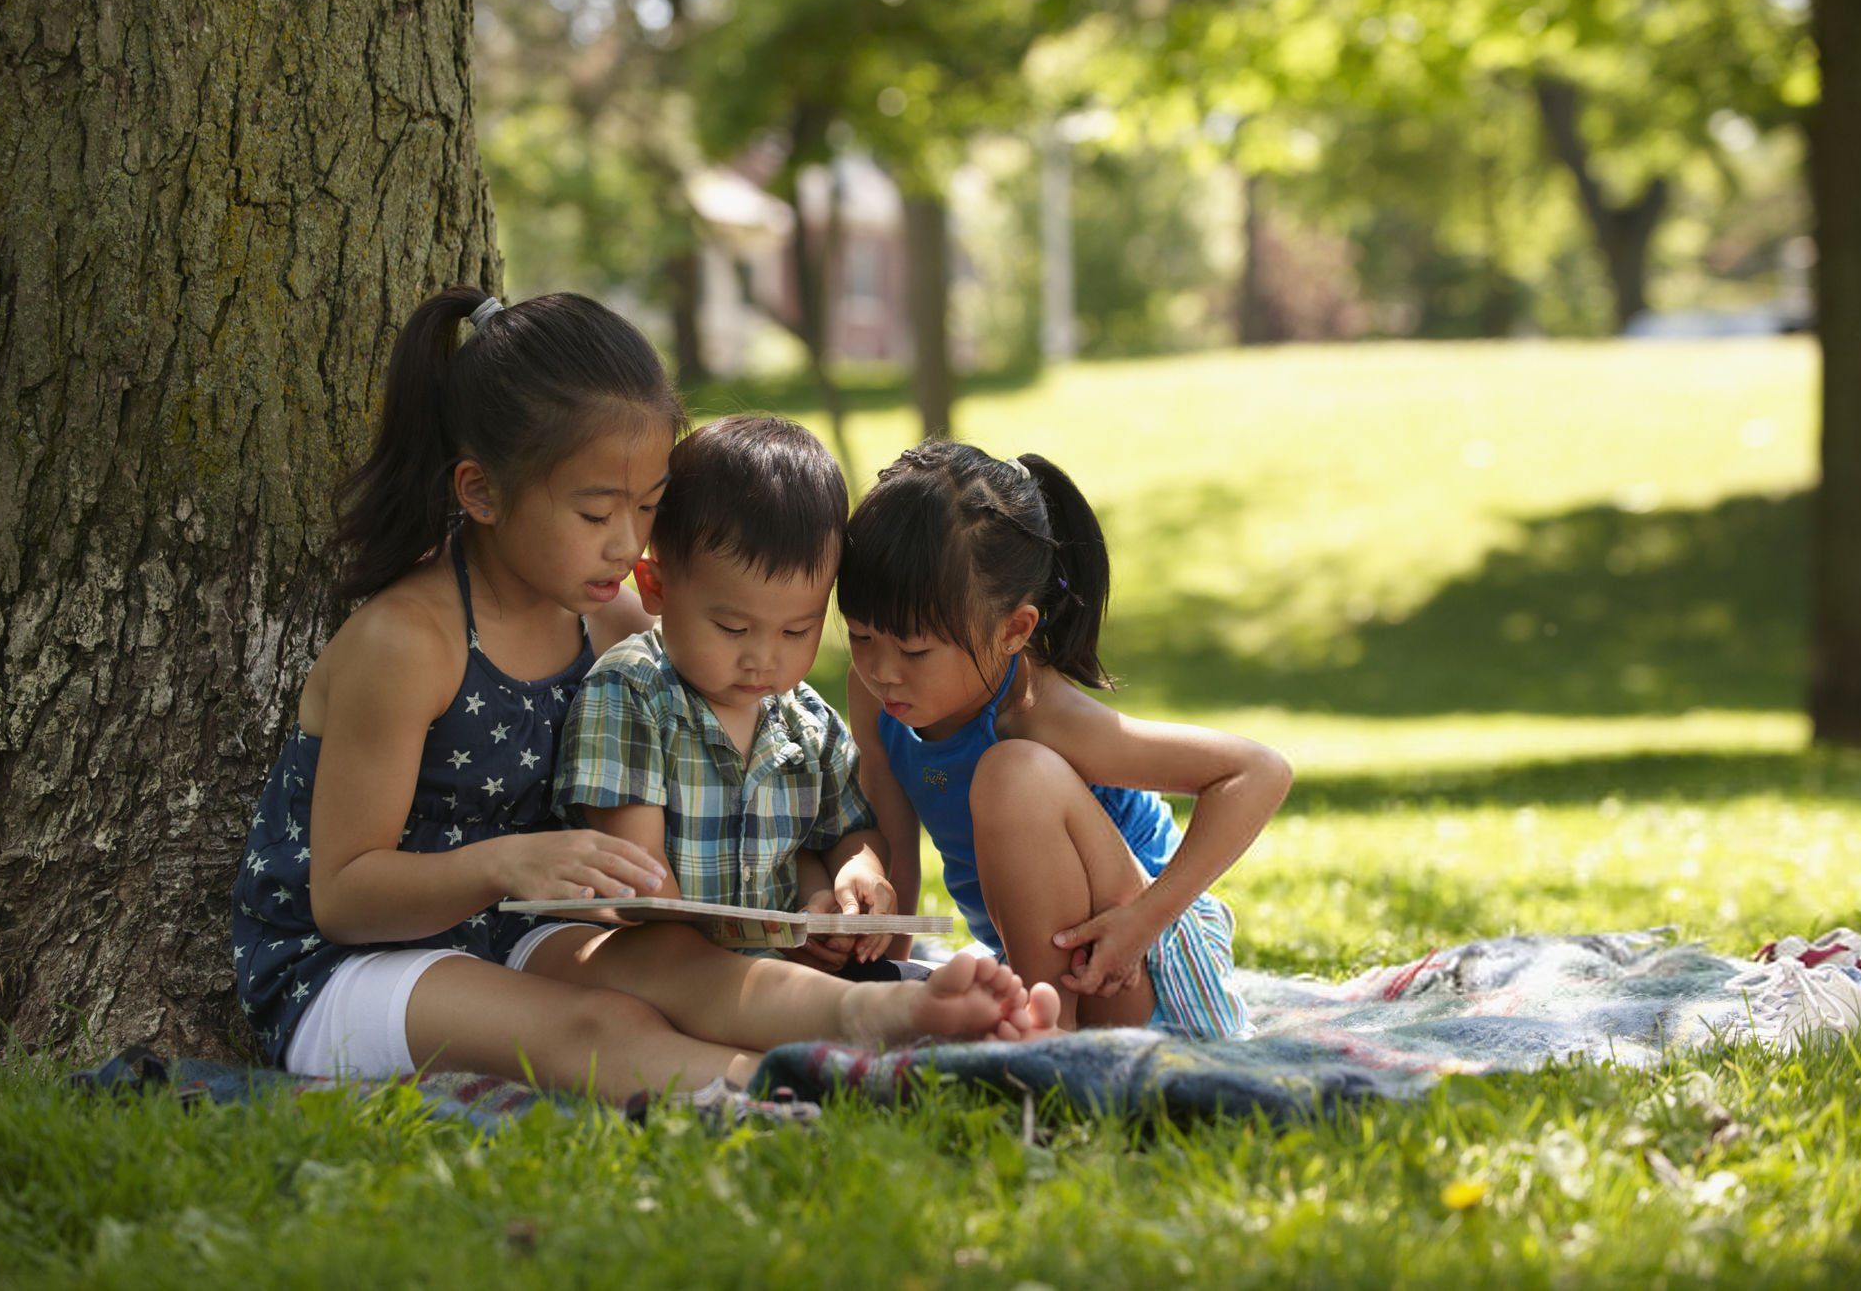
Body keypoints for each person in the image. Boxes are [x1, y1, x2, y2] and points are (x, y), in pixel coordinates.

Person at [231, 292, 1045, 1107]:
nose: (628, 543)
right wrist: (503, 864)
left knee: (680, 965)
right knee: (592, 1027)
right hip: (349, 966)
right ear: (480, 492)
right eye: (595, 511)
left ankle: (889, 1013)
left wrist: (817, 882)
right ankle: (805, 1094)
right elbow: (341, 896)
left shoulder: (606, 615)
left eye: (649, 506)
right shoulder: (408, 642)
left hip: (523, 927)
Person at [836, 439, 1294, 1037]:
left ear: (1013, 630)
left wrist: (1143, 921)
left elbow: (1258, 772)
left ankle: (1049, 1040)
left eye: (916, 649)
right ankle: (1039, 1024)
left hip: (1144, 967)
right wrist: (882, 973)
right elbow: (895, 850)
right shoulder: (876, 696)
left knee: (1012, 773)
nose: (883, 669)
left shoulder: (1040, 714)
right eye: (861, 636)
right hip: (1046, 974)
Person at [546, 416, 920, 980]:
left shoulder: (807, 722)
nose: (763, 659)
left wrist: (855, 879)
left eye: (797, 632)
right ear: (656, 587)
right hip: (661, 971)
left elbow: (846, 833)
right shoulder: (631, 692)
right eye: (731, 627)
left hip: (782, 971)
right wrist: (756, 965)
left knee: (901, 997)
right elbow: (641, 886)